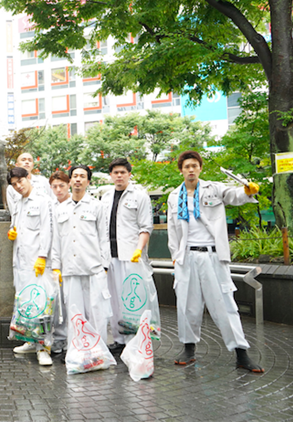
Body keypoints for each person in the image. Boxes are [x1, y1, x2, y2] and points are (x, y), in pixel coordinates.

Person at [167, 150, 263, 372]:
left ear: (200, 168)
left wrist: (247, 190)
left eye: (194, 166)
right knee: (187, 305)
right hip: (186, 257)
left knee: (225, 304)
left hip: (212, 256)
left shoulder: (214, 188)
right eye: (186, 166)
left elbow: (235, 195)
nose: (191, 170)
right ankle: (188, 348)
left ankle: (241, 353)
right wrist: (175, 257)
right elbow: (173, 232)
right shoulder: (174, 196)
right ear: (181, 170)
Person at [51, 165, 111, 345]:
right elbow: (56, 241)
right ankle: (76, 351)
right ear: (70, 181)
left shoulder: (97, 206)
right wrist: (55, 267)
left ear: (88, 181)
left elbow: (104, 237)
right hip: (70, 269)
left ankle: (98, 351)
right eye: (75, 176)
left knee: (97, 313)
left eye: (82, 176)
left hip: (93, 268)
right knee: (74, 313)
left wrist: (105, 266)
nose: (78, 179)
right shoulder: (60, 209)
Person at [101, 158, 153, 354]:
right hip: (110, 256)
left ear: (129, 174)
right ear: (111, 175)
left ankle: (134, 339)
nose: (119, 176)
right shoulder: (105, 197)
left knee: (132, 299)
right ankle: (119, 339)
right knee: (113, 299)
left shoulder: (140, 196)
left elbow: (146, 226)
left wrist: (139, 249)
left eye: (123, 172)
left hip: (131, 256)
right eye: (115, 172)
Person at [7, 167, 54, 366]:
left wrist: (42, 256)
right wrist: (12, 231)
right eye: (14, 184)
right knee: (26, 305)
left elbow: (47, 230)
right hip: (21, 262)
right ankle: (29, 341)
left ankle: (44, 347)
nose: (18, 186)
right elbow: (17, 226)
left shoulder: (43, 200)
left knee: (43, 306)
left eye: (20, 181)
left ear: (29, 178)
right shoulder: (18, 202)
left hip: (38, 263)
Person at [48, 170, 71, 355]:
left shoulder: (74, 204)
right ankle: (59, 338)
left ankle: (71, 338)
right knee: (57, 302)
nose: (58, 189)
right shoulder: (49, 206)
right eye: (54, 186)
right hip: (53, 261)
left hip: (73, 260)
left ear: (68, 184)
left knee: (72, 301)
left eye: (61, 185)